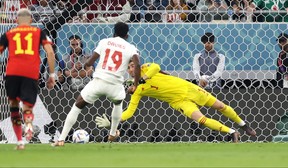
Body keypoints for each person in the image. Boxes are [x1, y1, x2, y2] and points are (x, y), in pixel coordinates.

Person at [96, 61, 256, 143]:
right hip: (179, 102)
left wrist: (143, 79)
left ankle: (243, 125)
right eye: (129, 68)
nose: (132, 68)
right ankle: (232, 132)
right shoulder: (136, 90)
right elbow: (130, 112)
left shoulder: (146, 68)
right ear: (128, 71)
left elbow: (156, 67)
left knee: (220, 106)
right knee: (201, 119)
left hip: (188, 89)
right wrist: (113, 121)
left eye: (133, 65)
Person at [53, 22, 141, 146]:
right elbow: (137, 65)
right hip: (115, 85)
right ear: (127, 35)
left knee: (77, 105)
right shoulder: (131, 47)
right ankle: (112, 133)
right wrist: (135, 85)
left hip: (99, 81)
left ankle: (61, 139)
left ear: (114, 33)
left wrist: (84, 66)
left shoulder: (104, 42)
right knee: (118, 103)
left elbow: (91, 61)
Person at [0, 8, 55, 150]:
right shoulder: (38, 33)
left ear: (16, 20)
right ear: (31, 20)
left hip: (12, 73)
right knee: (27, 106)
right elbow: (50, 52)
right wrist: (52, 75)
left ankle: (19, 140)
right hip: (30, 73)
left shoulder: (8, 34)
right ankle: (29, 125)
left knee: (13, 106)